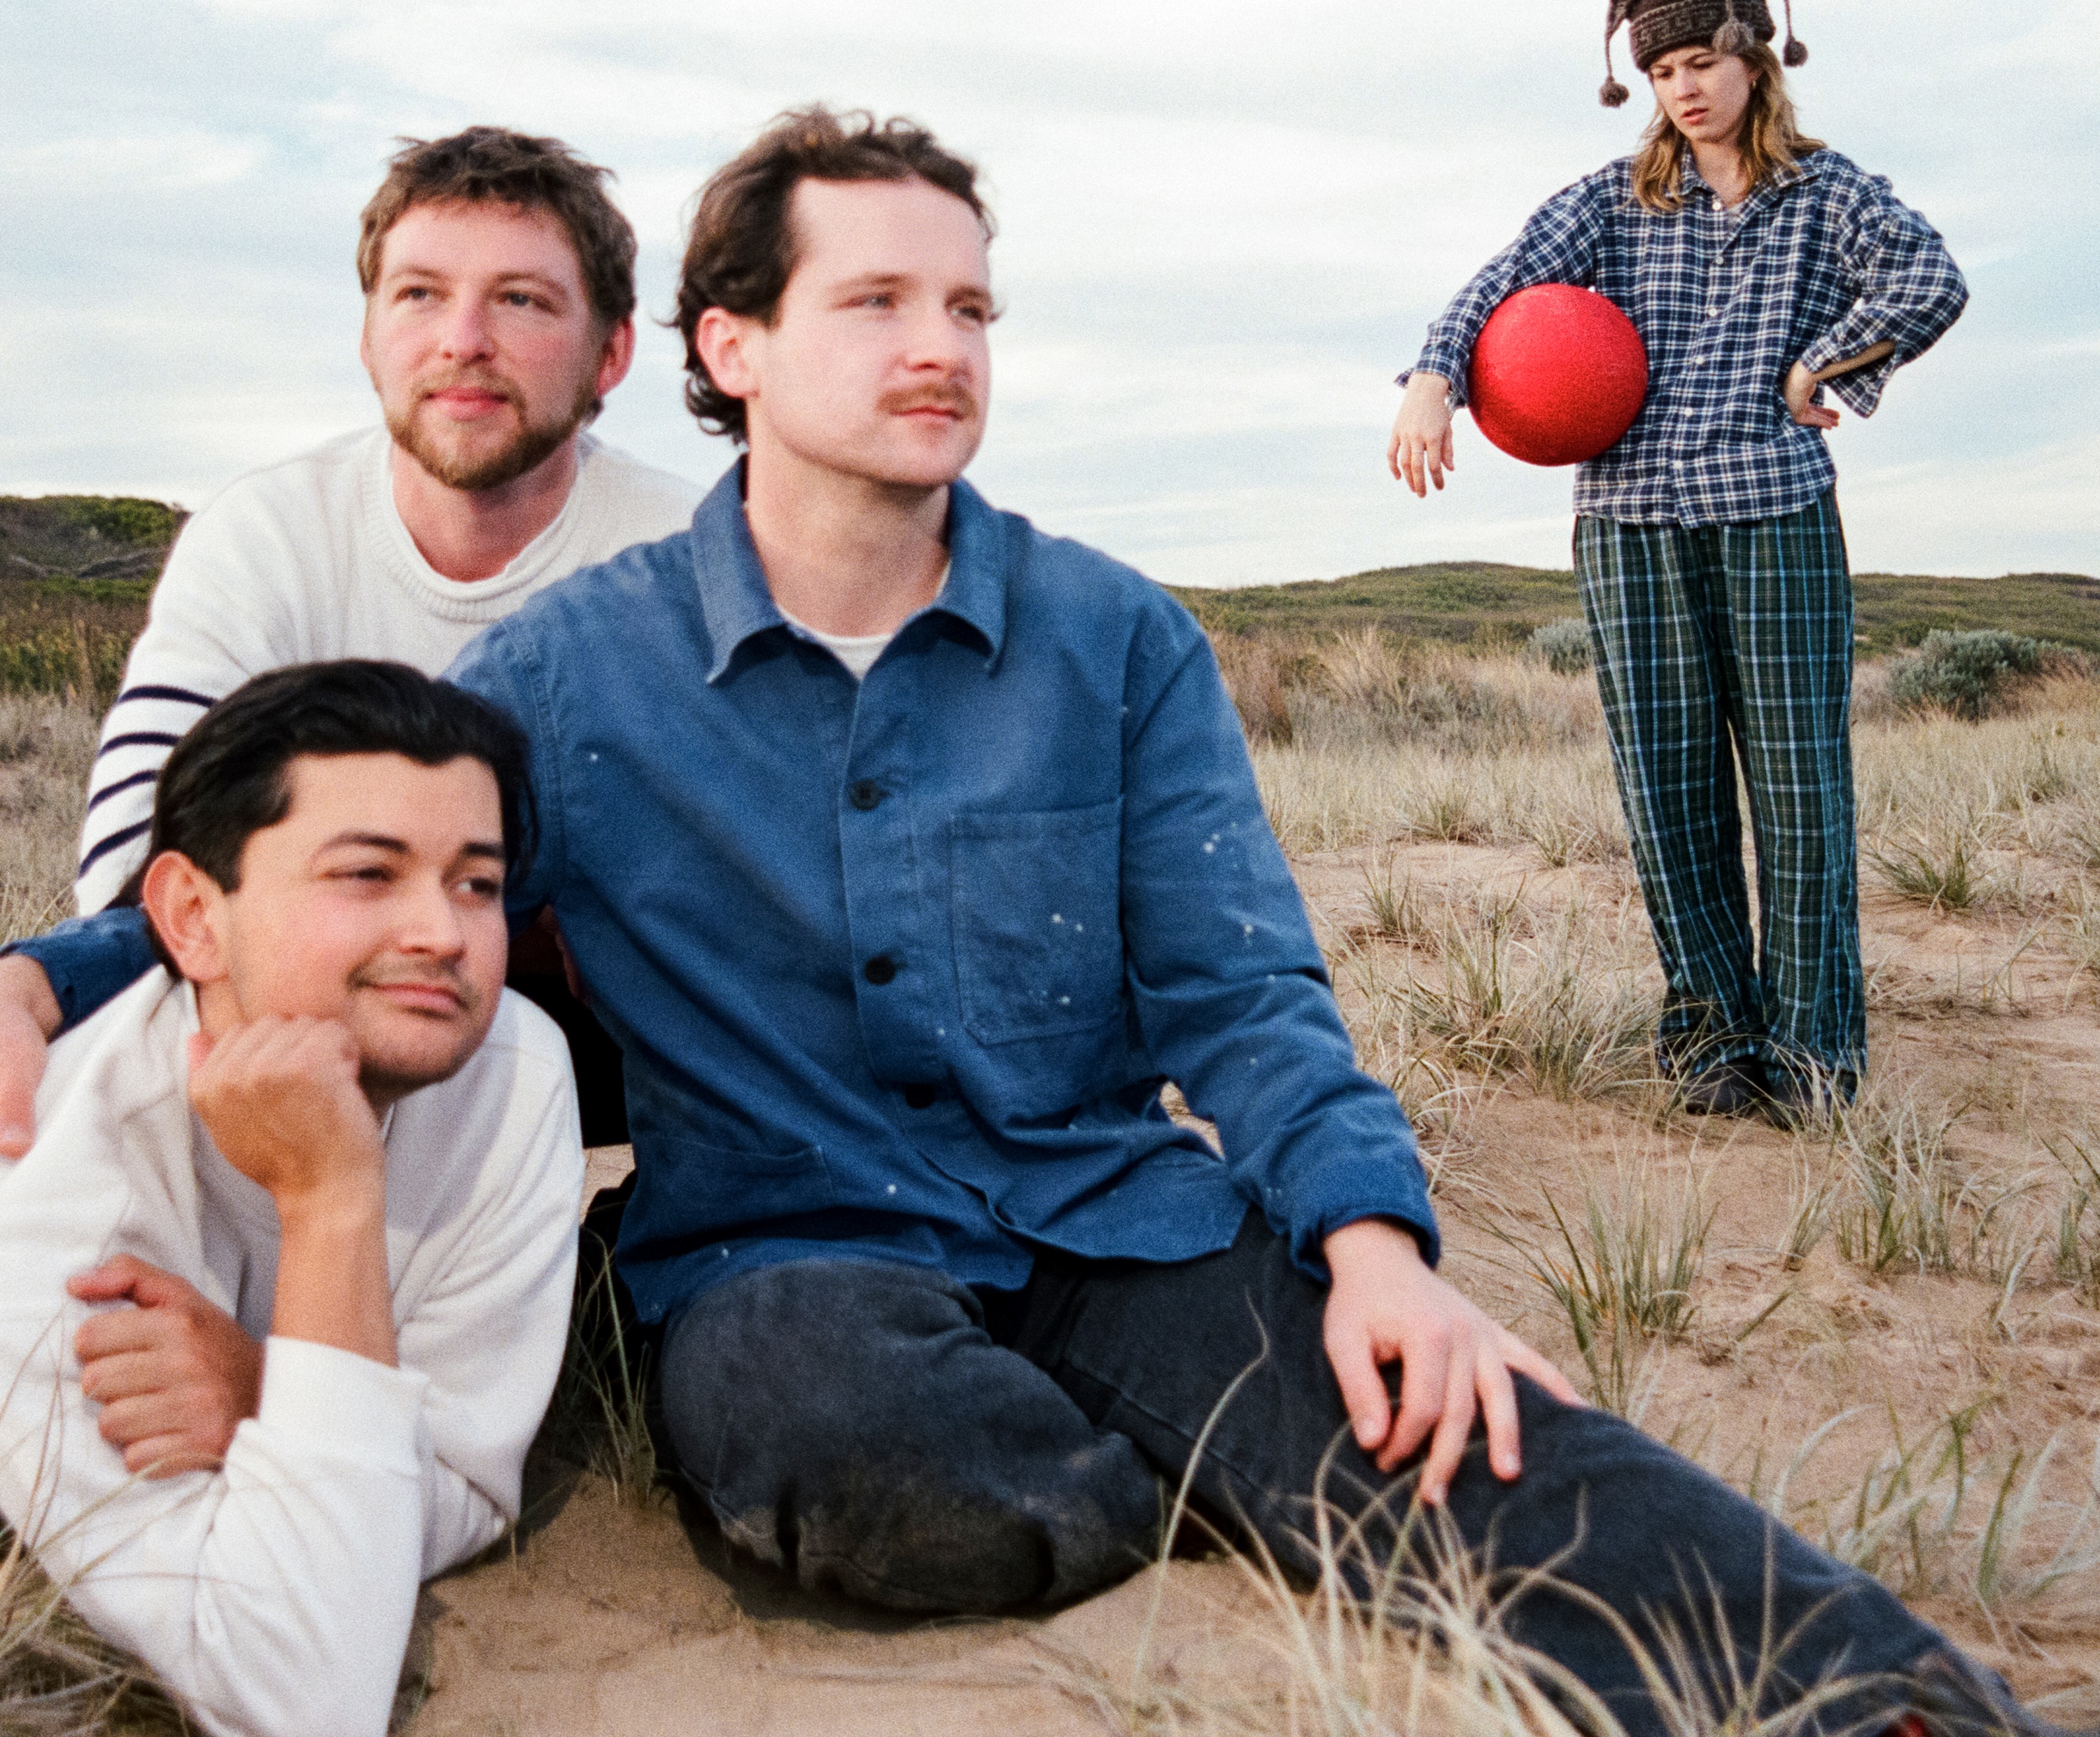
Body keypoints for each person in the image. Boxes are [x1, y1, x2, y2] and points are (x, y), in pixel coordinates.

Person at [440, 106, 2036, 1737]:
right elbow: (315, 896)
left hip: (1106, 1213)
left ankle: (1896, 1705)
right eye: (878, 303)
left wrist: (1372, 1250)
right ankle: (1152, 1466)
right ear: (735, 344)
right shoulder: (571, 676)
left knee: (1441, 1414)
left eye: (972, 309)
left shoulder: (1113, 639)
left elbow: (1244, 990)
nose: (943, 346)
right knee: (850, 1446)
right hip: (787, 1251)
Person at [0, 125, 700, 1156]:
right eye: (419, 294)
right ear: (368, 335)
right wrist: (40, 974)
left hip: (637, 1042)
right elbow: (138, 861)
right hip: (322, 998)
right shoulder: (268, 532)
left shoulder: (693, 552)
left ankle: (644, 1275)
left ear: (613, 353)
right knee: (100, 1019)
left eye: (522, 300)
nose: (463, 338)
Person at [1387, 0, 1967, 1121]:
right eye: (1660, 70)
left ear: (1753, 56)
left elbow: (1930, 277)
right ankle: (1715, 1047)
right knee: (1669, 791)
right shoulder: (1612, 201)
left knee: (1802, 791)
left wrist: (1830, 367)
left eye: (1701, 61)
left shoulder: (1826, 195)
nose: (1683, 89)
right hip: (1631, 529)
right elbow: (1497, 286)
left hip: (1773, 517)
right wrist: (1438, 379)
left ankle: (1813, 1060)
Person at [0, 661, 583, 1737]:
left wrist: (266, 1389)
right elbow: (303, 1689)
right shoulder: (56, 1205)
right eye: (367, 874)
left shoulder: (513, 1072)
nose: (444, 935)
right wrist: (329, 1203)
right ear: (190, 915)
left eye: (478, 883)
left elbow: (470, 1485)